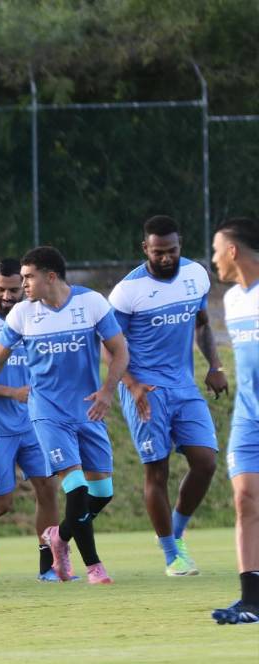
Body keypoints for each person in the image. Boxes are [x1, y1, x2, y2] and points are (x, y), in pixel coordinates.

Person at [0, 246, 128, 585]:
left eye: (29, 277)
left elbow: (120, 350)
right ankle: (95, 567)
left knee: (102, 492)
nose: (24, 283)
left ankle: (59, 537)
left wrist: (107, 391)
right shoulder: (23, 314)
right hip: (47, 413)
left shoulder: (91, 304)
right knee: (75, 488)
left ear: (50, 276)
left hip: (88, 410)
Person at [107, 215, 225, 576]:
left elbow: (201, 324)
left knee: (206, 461)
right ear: (145, 249)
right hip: (145, 390)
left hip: (184, 386)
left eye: (171, 250)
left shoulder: (196, 275)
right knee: (156, 472)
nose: (165, 257)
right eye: (158, 252)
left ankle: (174, 530)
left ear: (180, 245)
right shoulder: (128, 292)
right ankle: (173, 555)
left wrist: (215, 365)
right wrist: (131, 385)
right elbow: (110, 348)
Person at [0, 260, 61, 581]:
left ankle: (49, 566)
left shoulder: (35, 319)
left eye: (15, 289)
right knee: (0, 503)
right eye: (2, 290)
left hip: (35, 425)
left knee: (48, 489)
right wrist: (12, 392)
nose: (9, 296)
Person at [210, 217, 259, 624]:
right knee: (245, 501)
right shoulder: (231, 302)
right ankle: (251, 600)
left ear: (233, 251)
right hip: (248, 416)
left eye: (215, 250)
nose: (213, 260)